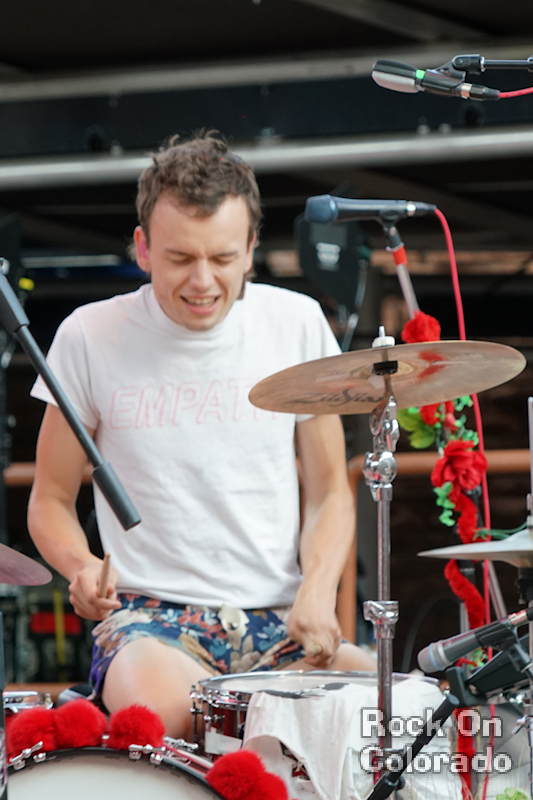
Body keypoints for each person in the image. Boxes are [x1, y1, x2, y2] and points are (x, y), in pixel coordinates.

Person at [27, 133, 375, 739]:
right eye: (181, 258)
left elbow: (328, 492)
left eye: (222, 258)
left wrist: (318, 591)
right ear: (143, 248)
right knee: (169, 716)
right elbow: (50, 498)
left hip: (277, 618)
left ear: (251, 248)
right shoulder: (88, 334)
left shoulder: (294, 322)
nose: (203, 281)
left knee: (393, 710)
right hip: (147, 621)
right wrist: (80, 567)